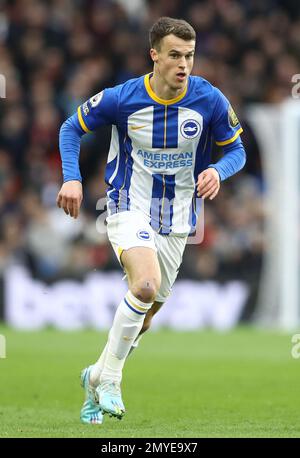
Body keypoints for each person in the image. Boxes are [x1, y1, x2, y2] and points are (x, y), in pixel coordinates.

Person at [56, 16, 246, 424]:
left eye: (190, 56)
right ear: (154, 55)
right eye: (175, 55)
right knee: (144, 284)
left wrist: (217, 171)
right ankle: (110, 381)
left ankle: (95, 374)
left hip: (179, 219)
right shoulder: (123, 98)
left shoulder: (209, 99)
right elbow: (71, 127)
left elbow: (238, 151)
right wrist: (72, 179)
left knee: (143, 319)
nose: (184, 65)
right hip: (127, 204)